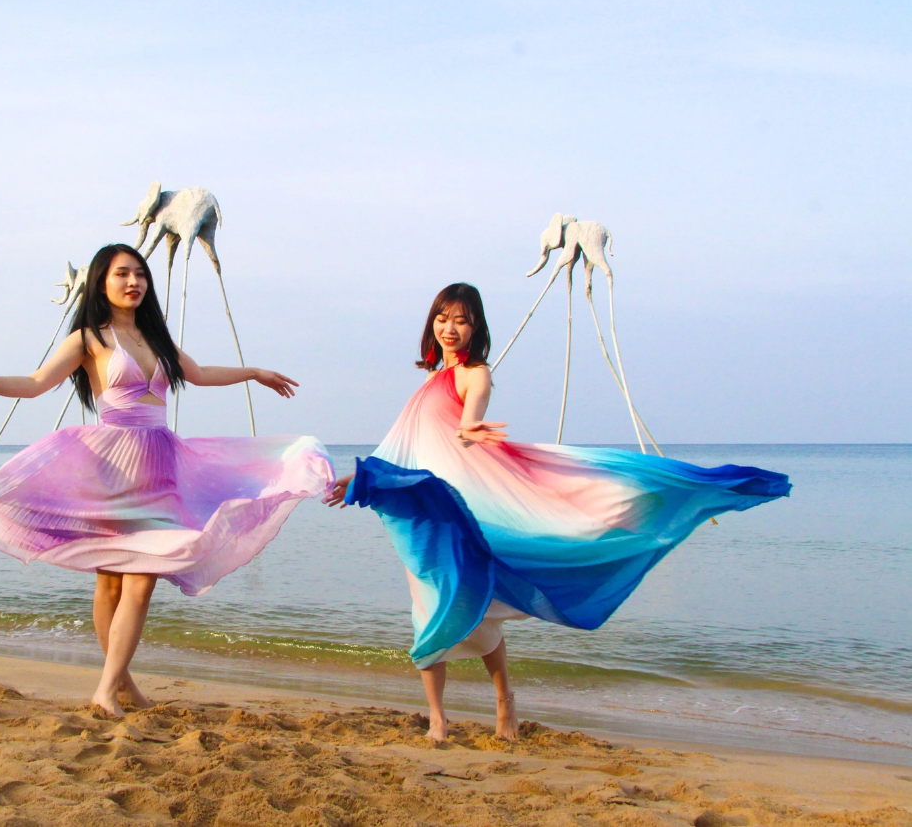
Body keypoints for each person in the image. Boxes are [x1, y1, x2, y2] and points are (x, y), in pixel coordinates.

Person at [324, 283, 790, 742]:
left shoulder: (474, 374)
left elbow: (468, 421)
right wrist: (356, 478)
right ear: (432, 322)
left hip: (460, 512)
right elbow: (400, 447)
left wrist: (471, 429)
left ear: (476, 327)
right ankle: (437, 718)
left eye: (461, 320)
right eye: (443, 318)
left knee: (478, 608)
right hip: (428, 517)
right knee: (428, 611)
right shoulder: (430, 380)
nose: (450, 328)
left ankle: (505, 702)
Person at [0, 244, 332, 716]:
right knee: (111, 586)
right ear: (102, 281)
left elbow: (198, 373)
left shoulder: (155, 338)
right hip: (112, 468)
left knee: (142, 580)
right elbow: (36, 383)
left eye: (139, 274)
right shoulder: (88, 339)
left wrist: (254, 372)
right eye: (122, 274)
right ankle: (119, 686)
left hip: (160, 468)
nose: (133, 282)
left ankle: (108, 687)